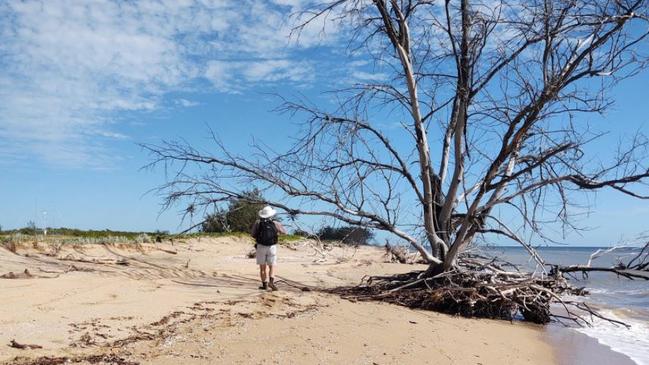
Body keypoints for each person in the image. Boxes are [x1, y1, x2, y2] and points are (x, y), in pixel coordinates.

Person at [251, 206, 286, 291]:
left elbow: (253, 234)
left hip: (261, 247)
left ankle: (264, 285)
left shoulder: (258, 223)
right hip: (272, 247)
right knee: (272, 266)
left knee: (262, 268)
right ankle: (271, 282)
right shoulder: (275, 223)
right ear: (271, 215)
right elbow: (284, 232)